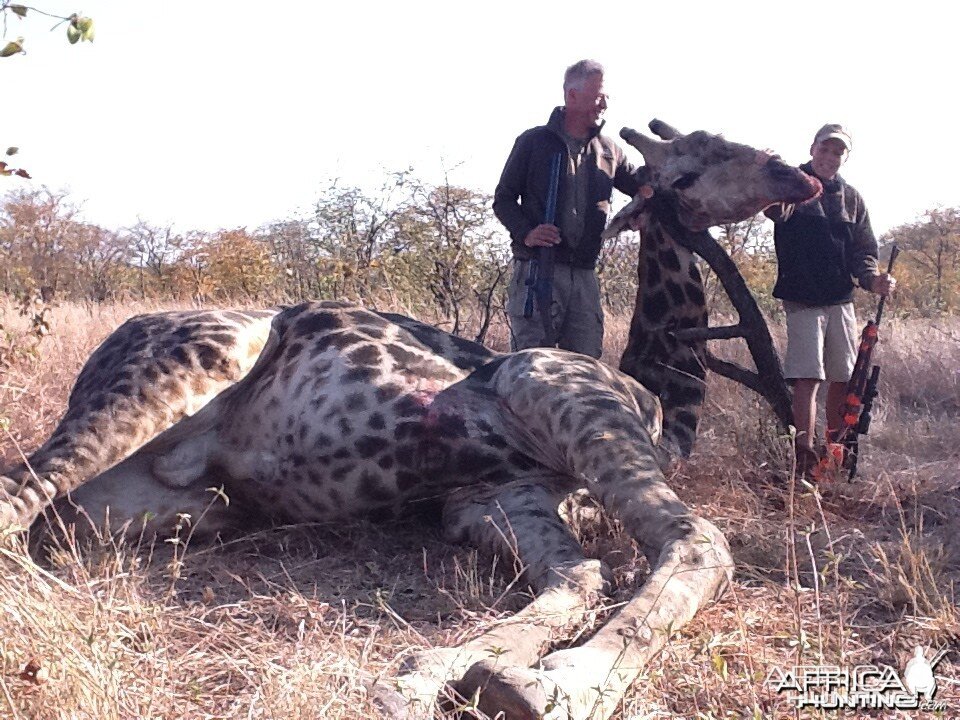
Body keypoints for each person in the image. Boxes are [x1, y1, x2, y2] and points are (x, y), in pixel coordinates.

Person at [765, 124, 896, 471]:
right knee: (809, 379)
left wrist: (874, 281)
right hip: (802, 299)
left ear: (843, 157)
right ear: (812, 149)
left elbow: (864, 251)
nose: (830, 157)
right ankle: (804, 461)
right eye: (825, 149)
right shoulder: (792, 184)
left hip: (841, 300)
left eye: (837, 152)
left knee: (843, 378)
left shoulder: (851, 197)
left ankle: (833, 457)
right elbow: (771, 208)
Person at [493, 59, 640, 358]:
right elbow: (503, 199)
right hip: (537, 270)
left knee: (585, 371)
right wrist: (527, 233)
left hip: (585, 276)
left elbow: (642, 186)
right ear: (572, 96)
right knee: (533, 370)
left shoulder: (610, 150)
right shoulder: (533, 141)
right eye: (598, 96)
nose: (604, 104)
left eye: (606, 97)